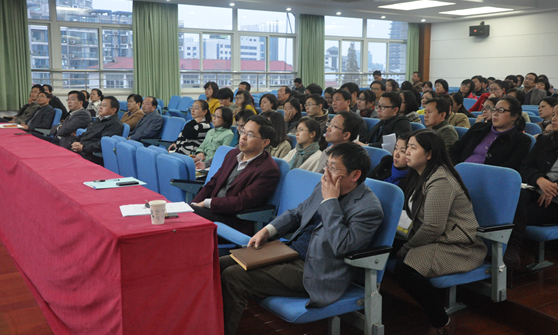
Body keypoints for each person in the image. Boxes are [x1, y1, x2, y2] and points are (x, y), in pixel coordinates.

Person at [220, 143, 383, 335]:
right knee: (220, 264)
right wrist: (268, 230)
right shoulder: (325, 184)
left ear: (355, 175)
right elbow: (298, 212)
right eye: (327, 165)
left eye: (332, 168)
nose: (325, 172)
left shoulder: (368, 209)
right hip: (291, 252)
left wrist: (330, 201)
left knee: (233, 277)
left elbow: (342, 246)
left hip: (317, 272)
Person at [394, 130, 487, 334]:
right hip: (436, 237)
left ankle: (440, 320)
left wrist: (408, 247)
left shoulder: (440, 180)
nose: (406, 152)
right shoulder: (419, 174)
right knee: (385, 246)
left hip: (456, 245)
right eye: (406, 146)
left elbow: (432, 228)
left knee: (405, 268)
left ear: (429, 154)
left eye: (413, 147)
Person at [191, 115, 280, 236]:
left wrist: (206, 203)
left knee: (185, 221)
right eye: (243, 131)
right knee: (184, 213)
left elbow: (241, 202)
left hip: (235, 220)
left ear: (265, 142)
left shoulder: (268, 170)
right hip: (212, 211)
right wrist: (194, 204)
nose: (243, 137)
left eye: (250, 135)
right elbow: (213, 183)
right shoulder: (232, 154)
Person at [503, 98, 558, 268]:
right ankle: (508, 250)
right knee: (513, 199)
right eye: (553, 115)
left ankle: (511, 250)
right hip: (536, 188)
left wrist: (555, 187)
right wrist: (540, 180)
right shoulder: (546, 139)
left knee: (518, 212)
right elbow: (525, 166)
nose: (553, 119)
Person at [449, 96, 531, 172]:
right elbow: (454, 150)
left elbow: (510, 168)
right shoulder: (478, 128)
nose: (495, 113)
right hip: (459, 172)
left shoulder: (522, 140)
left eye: (501, 110)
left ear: (514, 116)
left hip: (489, 179)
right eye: (494, 109)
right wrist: (457, 168)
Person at [69, 96, 124, 164]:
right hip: (83, 150)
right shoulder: (99, 120)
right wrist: (75, 142)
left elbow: (103, 144)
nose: (100, 107)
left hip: (92, 155)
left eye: (104, 106)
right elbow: (86, 134)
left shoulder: (114, 124)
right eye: (100, 105)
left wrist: (83, 148)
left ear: (113, 110)